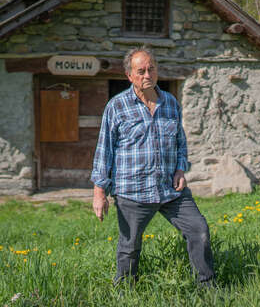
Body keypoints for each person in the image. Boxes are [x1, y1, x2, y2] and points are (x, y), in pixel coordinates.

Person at [91, 46, 215, 287]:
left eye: (152, 69)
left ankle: (207, 287)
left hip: (170, 190)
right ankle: (125, 292)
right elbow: (103, 149)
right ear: (129, 76)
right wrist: (99, 192)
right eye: (141, 71)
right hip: (132, 191)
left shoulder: (170, 102)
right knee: (129, 247)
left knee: (199, 230)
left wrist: (181, 169)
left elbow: (180, 140)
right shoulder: (117, 106)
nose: (147, 75)